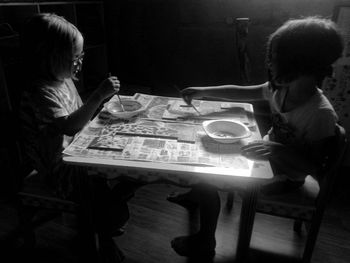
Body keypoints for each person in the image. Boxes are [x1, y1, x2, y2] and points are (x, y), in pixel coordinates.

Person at [168, 16, 344, 257]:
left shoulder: (320, 114)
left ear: (302, 66)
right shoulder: (281, 88)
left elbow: (313, 167)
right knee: (205, 150)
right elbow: (242, 92)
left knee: (208, 176)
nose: (270, 65)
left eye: (275, 60)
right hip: (265, 155)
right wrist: (203, 91)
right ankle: (194, 195)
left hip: (284, 177)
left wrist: (278, 150)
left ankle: (206, 240)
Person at [18, 13, 134, 261]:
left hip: (78, 153)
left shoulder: (64, 80)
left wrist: (103, 116)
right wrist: (98, 97)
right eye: (74, 59)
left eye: (80, 57)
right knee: (102, 190)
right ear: (49, 57)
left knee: (122, 164)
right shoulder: (41, 92)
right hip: (60, 169)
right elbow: (70, 126)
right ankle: (102, 234)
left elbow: (81, 118)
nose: (79, 65)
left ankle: (107, 215)